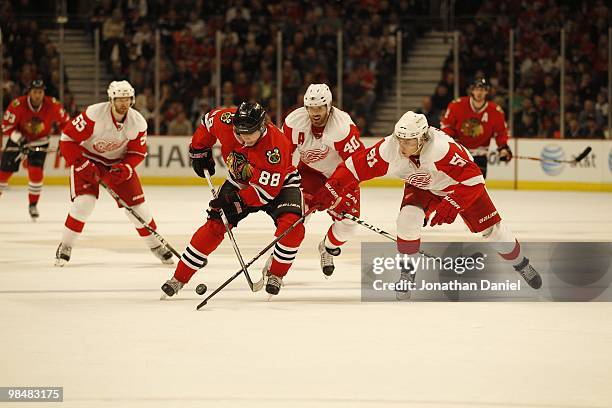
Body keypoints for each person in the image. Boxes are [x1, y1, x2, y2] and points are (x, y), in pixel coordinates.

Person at [313, 111, 542, 299]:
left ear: (422, 139)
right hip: (423, 185)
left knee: (494, 232)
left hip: (459, 186)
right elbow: (354, 167)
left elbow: (475, 180)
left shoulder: (441, 149)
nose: (402, 146)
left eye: (409, 141)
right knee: (407, 220)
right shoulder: (389, 148)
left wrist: (453, 202)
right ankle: (407, 274)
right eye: (400, 140)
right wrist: (332, 187)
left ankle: (521, 263)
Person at [161, 101, 305, 297]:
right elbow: (207, 122)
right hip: (239, 181)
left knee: (292, 227)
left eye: (250, 132)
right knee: (214, 224)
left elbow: (265, 193)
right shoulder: (225, 120)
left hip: (279, 185)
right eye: (240, 131)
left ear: (262, 127)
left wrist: (236, 200)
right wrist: (199, 149)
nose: (244, 137)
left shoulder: (275, 147)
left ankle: (276, 274)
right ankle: (178, 278)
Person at [54, 80, 174, 266]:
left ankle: (156, 245)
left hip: (117, 164)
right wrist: (81, 164)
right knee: (84, 203)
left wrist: (126, 167)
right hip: (89, 160)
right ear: (111, 99)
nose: (123, 103)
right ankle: (66, 245)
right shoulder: (94, 114)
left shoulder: (138, 122)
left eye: (127, 99)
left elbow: (137, 152)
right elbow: (67, 139)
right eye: (119, 99)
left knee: (138, 208)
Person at [283, 83, 363, 276]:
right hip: (310, 172)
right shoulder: (294, 122)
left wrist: (336, 190)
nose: (315, 112)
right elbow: (282, 155)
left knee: (348, 225)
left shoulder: (342, 127)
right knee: (296, 215)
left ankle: (327, 248)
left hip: (342, 176)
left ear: (329, 106)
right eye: (311, 108)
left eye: (319, 107)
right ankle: (279, 260)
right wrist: (286, 181)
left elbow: (358, 166)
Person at [0, 79, 70, 220]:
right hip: (18, 139)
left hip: (40, 141)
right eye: (35, 92)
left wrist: (65, 142)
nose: (37, 95)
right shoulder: (18, 105)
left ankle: (33, 205)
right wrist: (19, 139)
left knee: (36, 173)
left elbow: (67, 124)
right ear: (29, 93)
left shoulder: (53, 105)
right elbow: (6, 126)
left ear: (43, 93)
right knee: (3, 174)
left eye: (40, 92)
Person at [440, 77, 512, 178]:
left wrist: (503, 147)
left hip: (480, 155)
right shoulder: (457, 105)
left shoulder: (495, 111)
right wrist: (453, 142)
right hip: (459, 153)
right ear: (472, 90)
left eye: (482, 90)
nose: (479, 92)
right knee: (456, 186)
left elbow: (501, 133)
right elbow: (446, 125)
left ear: (487, 91)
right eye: (477, 89)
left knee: (477, 188)